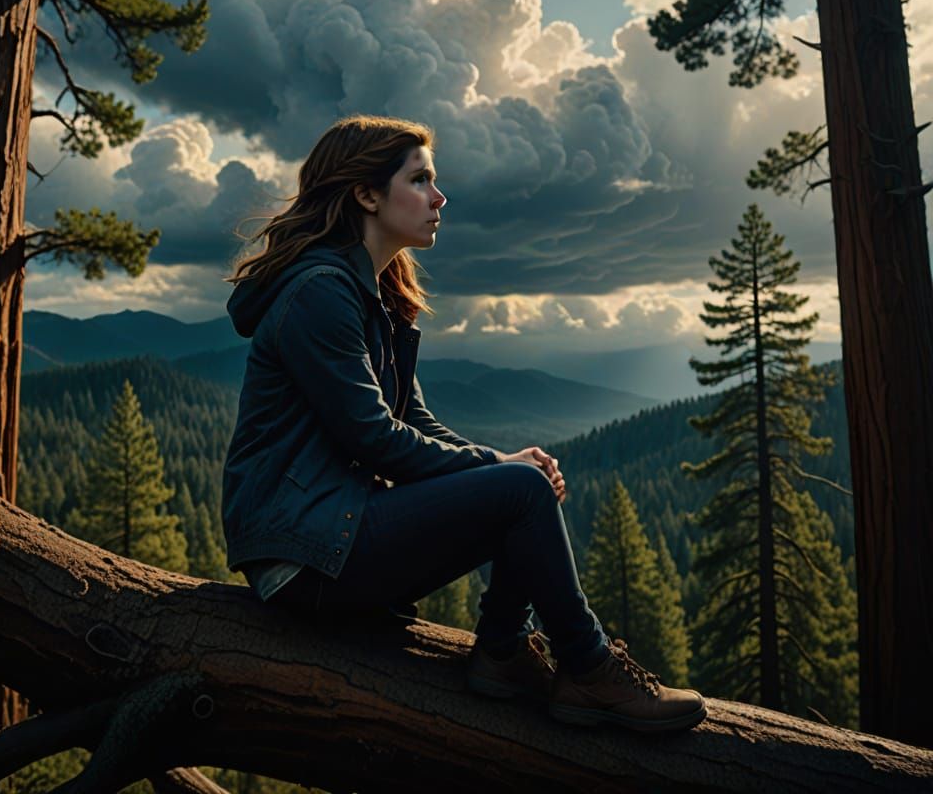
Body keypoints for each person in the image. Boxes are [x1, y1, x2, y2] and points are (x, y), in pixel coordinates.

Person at [222, 113, 706, 733]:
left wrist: (505, 465)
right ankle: (587, 666)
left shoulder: (373, 292)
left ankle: (504, 650)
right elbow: (373, 437)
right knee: (518, 490)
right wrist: (501, 474)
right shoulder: (320, 292)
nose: (438, 196)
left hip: (330, 533)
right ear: (367, 195)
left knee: (520, 486)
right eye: (420, 180)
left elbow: (413, 419)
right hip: (303, 555)